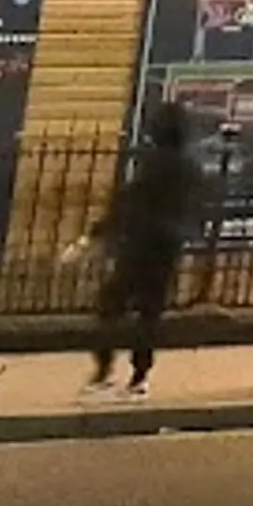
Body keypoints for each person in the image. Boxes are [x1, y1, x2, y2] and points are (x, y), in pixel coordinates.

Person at [79, 100, 198, 402]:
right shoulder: (191, 167)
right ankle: (139, 377)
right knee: (150, 313)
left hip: (140, 245)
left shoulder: (153, 163)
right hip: (168, 248)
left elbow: (129, 201)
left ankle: (103, 373)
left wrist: (98, 232)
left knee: (109, 305)